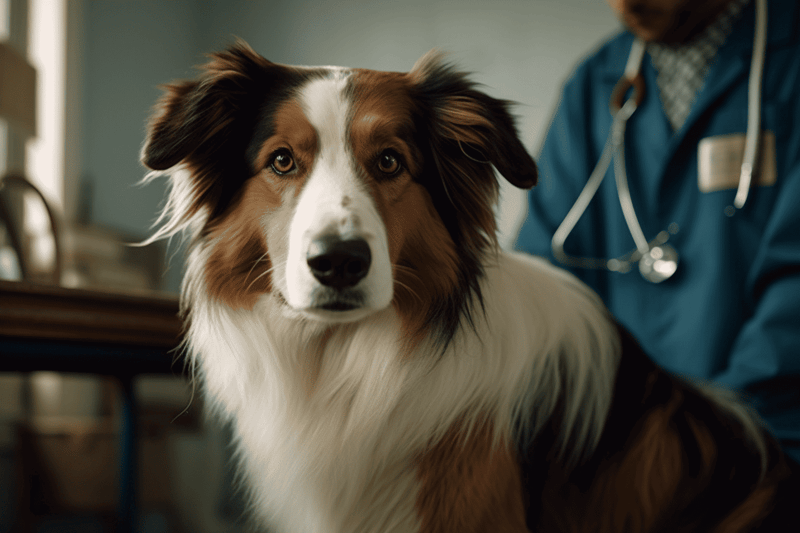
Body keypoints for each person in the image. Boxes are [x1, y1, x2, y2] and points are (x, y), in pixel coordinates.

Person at [515, 0, 800, 464]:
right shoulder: (594, 83)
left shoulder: (788, 61)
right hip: (620, 452)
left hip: (770, 446)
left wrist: (713, 433)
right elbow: (544, 279)